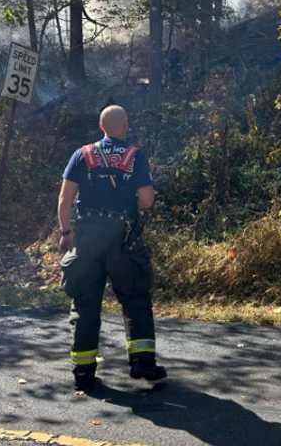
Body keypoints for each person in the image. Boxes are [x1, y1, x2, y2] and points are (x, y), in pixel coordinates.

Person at [57, 104, 166, 392]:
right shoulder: (134, 156)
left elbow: (65, 199)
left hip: (88, 240)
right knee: (135, 300)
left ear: (101, 126)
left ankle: (83, 371)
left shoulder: (83, 155)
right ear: (125, 125)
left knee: (85, 304)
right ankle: (142, 363)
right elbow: (146, 200)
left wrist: (66, 232)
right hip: (124, 240)